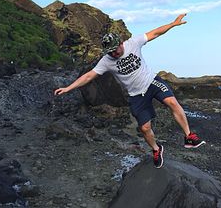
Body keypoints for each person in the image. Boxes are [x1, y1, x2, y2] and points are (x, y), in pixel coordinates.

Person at [54, 14, 205, 169]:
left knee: (172, 102)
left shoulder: (133, 43)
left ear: (121, 43)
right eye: (110, 52)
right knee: (144, 128)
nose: (114, 54)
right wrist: (68, 88)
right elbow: (89, 76)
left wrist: (172, 24)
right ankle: (156, 149)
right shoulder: (106, 61)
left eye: (115, 50)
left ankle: (189, 136)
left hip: (152, 82)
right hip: (136, 95)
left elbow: (155, 33)